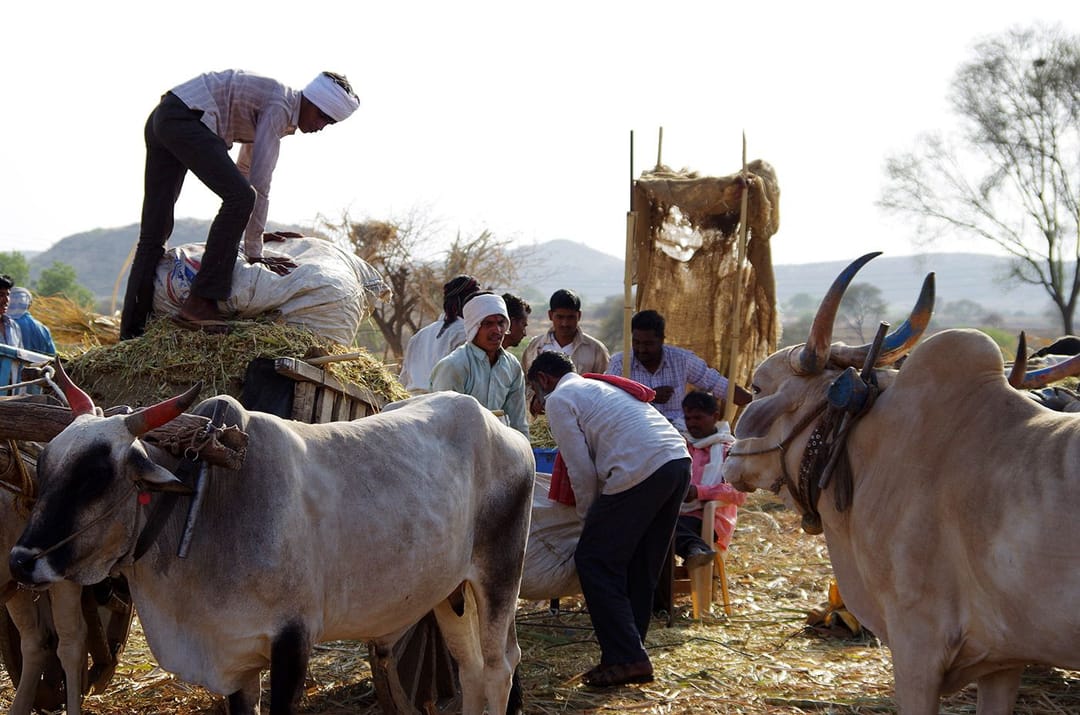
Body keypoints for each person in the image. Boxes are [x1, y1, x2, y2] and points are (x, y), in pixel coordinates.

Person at [120, 69, 361, 339]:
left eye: (328, 124)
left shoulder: (278, 105)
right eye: (322, 117)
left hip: (164, 117)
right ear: (312, 102)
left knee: (154, 234)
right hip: (186, 118)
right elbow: (259, 183)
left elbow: (244, 168)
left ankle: (130, 335)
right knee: (242, 197)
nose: (320, 128)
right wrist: (256, 251)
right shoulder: (280, 105)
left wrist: (248, 235)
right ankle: (200, 301)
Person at [527, 351, 690, 688]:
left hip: (640, 469)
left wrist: (589, 523)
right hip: (676, 460)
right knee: (641, 565)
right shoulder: (597, 388)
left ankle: (627, 656)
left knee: (593, 560)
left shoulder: (559, 399)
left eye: (535, 392)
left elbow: (581, 471)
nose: (539, 402)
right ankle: (631, 652)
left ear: (543, 379)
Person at [607, 309, 750, 433]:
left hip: (678, 433)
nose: (641, 349)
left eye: (648, 344)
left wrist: (756, 403)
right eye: (636, 342)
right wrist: (648, 395)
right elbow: (608, 402)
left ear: (662, 340)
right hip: (635, 430)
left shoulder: (682, 360)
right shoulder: (620, 363)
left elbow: (718, 384)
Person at [430, 292, 528, 436]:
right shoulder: (453, 366)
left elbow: (518, 422)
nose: (497, 330)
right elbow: (443, 425)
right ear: (473, 327)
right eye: (488, 324)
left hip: (497, 448)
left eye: (501, 323)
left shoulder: (512, 366)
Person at [676, 391, 746, 568]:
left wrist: (698, 492)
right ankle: (694, 549)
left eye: (698, 418)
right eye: (688, 418)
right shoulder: (681, 445)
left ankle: (696, 547)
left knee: (661, 527)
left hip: (710, 519)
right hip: (678, 514)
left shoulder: (729, 451)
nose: (692, 424)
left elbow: (738, 494)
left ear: (715, 416)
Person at [521, 288, 610, 415]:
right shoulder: (535, 347)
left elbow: (604, 388)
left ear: (579, 316)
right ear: (550, 315)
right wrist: (534, 400)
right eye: (560, 317)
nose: (565, 323)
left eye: (570, 317)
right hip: (541, 421)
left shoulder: (595, 349)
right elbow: (524, 382)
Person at [398, 275, 480, 395]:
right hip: (442, 405)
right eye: (476, 300)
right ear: (467, 302)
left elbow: (402, 380)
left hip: (410, 403)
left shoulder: (419, 335)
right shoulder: (467, 333)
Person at [7, 288, 56, 355]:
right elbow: (52, 354)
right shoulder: (43, 328)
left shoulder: (8, 325)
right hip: (40, 364)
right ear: (29, 305)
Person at [0, 275, 23, 388]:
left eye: (8, 295)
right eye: (1, 295)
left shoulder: (13, 327)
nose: (6, 300)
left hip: (9, 390)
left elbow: (21, 357)